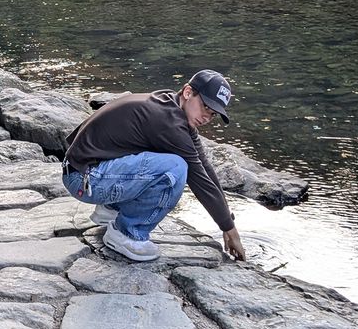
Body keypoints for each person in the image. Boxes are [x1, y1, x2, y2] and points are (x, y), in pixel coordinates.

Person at [62, 69, 246, 263]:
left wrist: (229, 222)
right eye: (206, 107)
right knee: (176, 167)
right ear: (188, 92)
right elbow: (198, 178)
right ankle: (127, 234)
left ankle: (111, 210)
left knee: (173, 161)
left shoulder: (170, 106)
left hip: (84, 170)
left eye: (214, 114)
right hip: (85, 180)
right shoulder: (168, 122)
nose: (207, 117)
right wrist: (229, 230)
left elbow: (205, 168)